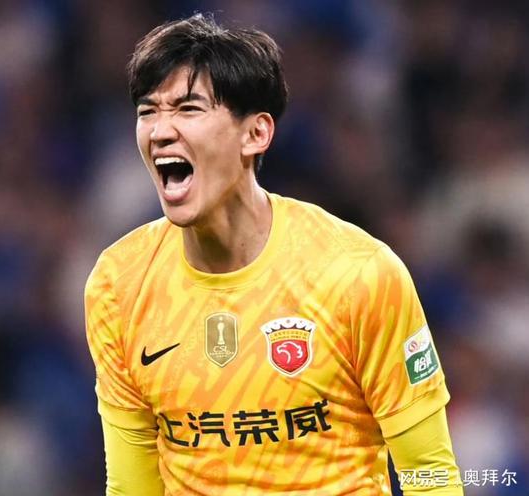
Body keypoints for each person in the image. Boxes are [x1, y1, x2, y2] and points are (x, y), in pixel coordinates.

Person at [84, 13, 463, 495]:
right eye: (148, 111)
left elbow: (430, 474)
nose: (159, 131)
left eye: (188, 109)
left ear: (256, 134)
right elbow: (132, 487)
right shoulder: (120, 283)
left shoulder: (358, 274)